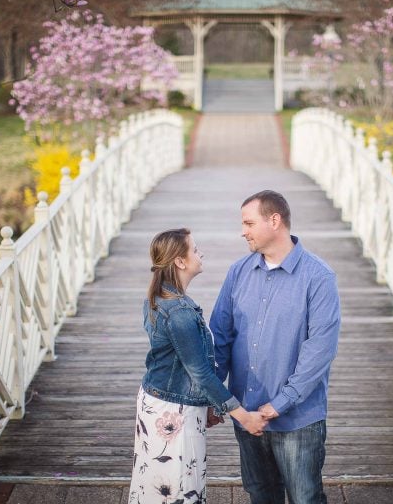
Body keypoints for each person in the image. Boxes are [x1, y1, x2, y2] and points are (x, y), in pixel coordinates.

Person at [209, 190, 341, 504]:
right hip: (247, 413)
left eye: (248, 223)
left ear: (274, 220)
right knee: (260, 496)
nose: (243, 231)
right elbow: (220, 337)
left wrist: (281, 402)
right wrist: (216, 398)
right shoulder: (238, 272)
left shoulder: (318, 277)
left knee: (305, 498)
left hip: (297, 419)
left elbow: (320, 349)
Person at [128, 228, 269, 504]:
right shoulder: (179, 311)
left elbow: (180, 363)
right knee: (176, 489)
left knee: (157, 488)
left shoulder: (159, 298)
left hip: (160, 401)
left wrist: (207, 406)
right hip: (172, 412)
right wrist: (245, 417)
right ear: (180, 261)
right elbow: (201, 374)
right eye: (194, 249)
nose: (200, 253)